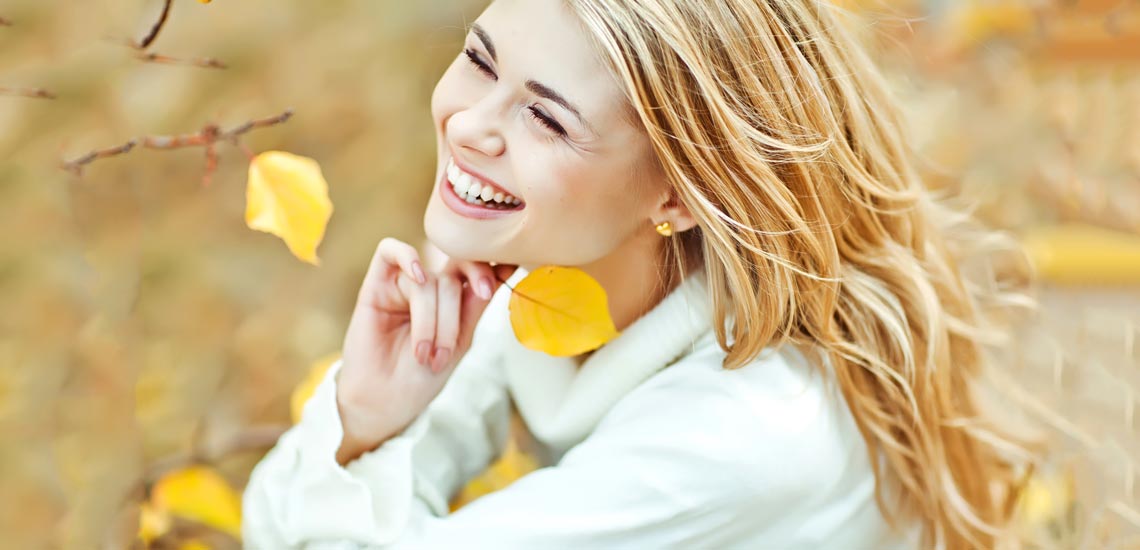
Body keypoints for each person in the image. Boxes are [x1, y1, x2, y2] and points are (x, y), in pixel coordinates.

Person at [242, 0, 1030, 548]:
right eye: (480, 60)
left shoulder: (735, 435)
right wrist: (361, 418)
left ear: (680, 194)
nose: (471, 126)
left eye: (546, 117)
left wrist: (351, 461)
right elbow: (270, 525)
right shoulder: (554, 275)